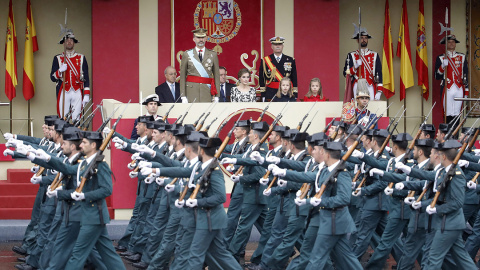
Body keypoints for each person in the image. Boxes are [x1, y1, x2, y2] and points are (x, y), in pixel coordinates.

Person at [50, 30, 90, 120]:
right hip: (63, 90)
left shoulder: (81, 57)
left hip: (77, 91)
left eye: (71, 40)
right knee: (63, 119)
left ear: (74, 42)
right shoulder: (58, 58)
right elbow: (52, 77)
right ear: (63, 43)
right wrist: (59, 71)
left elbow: (86, 76)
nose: (69, 41)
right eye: (67, 40)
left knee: (77, 118)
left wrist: (86, 94)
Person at [434, 34, 468, 125]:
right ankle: (448, 137)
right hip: (447, 88)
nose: (451, 43)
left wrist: (467, 92)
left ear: (455, 44)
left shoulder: (462, 56)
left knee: (457, 114)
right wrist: (442, 66)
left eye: (453, 42)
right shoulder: (441, 58)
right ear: (446, 44)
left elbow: (466, 74)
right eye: (449, 42)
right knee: (448, 114)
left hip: (459, 88)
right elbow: (436, 76)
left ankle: (455, 137)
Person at [180, 28, 220, 103]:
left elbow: (217, 76)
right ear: (194, 39)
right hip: (191, 91)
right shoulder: (187, 54)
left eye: (202, 37)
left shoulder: (213, 54)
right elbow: (182, 76)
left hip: (207, 92)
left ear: (206, 39)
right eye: (198, 37)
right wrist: (183, 96)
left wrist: (217, 96)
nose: (200, 39)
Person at [343, 26, 383, 100]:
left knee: (371, 108)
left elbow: (379, 73)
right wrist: (355, 67)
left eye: (365, 38)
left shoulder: (375, 55)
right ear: (357, 40)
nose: (364, 40)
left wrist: (379, 91)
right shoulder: (351, 55)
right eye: (361, 38)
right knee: (356, 107)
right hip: (357, 85)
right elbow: (345, 74)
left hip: (370, 85)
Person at [259, 37, 298, 101]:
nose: (277, 46)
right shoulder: (265, 60)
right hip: (271, 92)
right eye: (275, 44)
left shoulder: (290, 60)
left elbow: (294, 77)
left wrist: (295, 93)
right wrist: (263, 94)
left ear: (283, 46)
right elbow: (262, 78)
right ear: (272, 46)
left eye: (279, 44)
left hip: (286, 93)